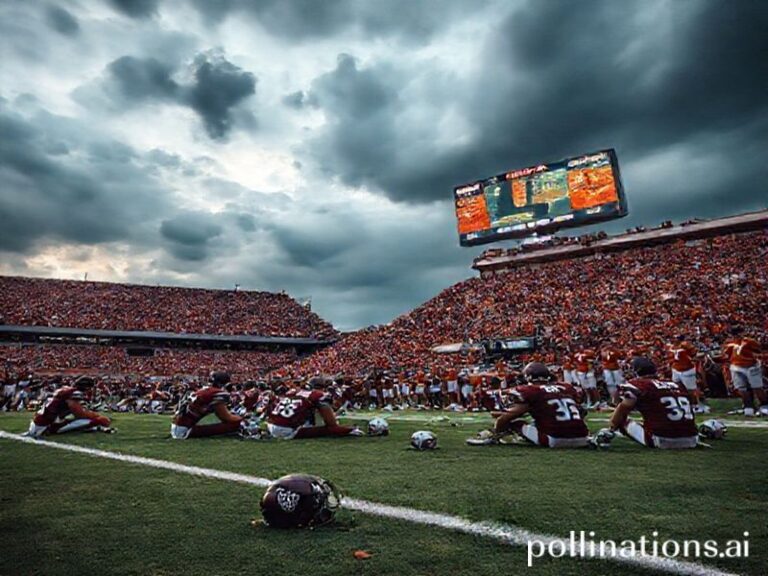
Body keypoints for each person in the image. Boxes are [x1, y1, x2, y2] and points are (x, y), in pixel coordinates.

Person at [466, 362, 588, 448]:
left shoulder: (531, 391)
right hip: (584, 438)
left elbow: (507, 417)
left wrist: (497, 428)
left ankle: (494, 437)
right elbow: (581, 411)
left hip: (554, 440)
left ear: (528, 376)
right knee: (539, 419)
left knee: (515, 424)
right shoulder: (565, 387)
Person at [604, 357, 698, 449]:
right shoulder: (675, 384)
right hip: (692, 438)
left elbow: (622, 409)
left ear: (636, 371)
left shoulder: (638, 385)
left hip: (662, 439)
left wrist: (611, 427)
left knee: (621, 418)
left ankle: (607, 434)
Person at [265, 376, 362, 439]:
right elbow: (332, 425)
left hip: (270, 426)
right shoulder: (318, 395)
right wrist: (350, 429)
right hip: (286, 431)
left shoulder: (293, 392)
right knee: (328, 430)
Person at [25, 376, 114, 437]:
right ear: (86, 387)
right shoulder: (74, 393)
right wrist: (98, 417)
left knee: (72, 420)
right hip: (45, 426)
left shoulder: (66, 389)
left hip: (38, 422)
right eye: (90, 388)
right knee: (93, 420)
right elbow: (80, 414)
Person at [170, 371, 243, 439]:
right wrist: (242, 419)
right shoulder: (217, 393)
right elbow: (226, 417)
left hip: (177, 427)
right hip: (184, 430)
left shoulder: (203, 390)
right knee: (235, 424)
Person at [722, 335, 767, 416]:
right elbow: (726, 355)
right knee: (741, 388)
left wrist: (755, 356)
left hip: (751, 366)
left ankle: (764, 405)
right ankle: (748, 406)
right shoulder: (729, 343)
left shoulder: (750, 341)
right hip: (736, 366)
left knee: (757, 387)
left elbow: (760, 351)